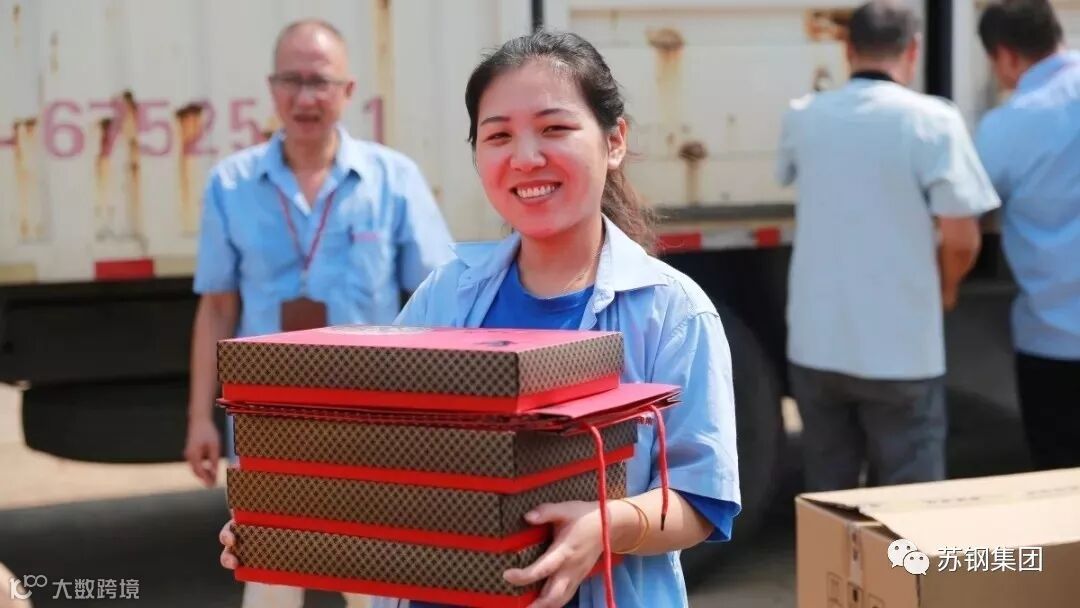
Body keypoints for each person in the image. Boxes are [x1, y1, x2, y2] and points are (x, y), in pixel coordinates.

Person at [219, 30, 741, 608]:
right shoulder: (445, 295)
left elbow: (699, 499)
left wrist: (608, 524)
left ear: (613, 141)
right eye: (498, 136)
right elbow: (378, 449)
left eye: (554, 129)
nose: (526, 157)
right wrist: (283, 516)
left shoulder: (672, 310)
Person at [184, 19, 454, 608]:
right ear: (272, 87)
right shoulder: (231, 184)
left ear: (348, 91)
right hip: (269, 421)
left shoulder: (394, 180)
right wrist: (200, 417)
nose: (306, 98)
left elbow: (437, 304)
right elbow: (217, 307)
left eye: (321, 82)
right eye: (292, 80)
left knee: (378, 588)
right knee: (271, 584)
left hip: (374, 420)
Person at [775, 1, 1001, 491]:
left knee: (828, 498)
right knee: (907, 504)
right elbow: (961, 237)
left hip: (817, 343)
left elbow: (787, 174)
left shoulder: (804, 115)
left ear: (847, 48)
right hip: (901, 349)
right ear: (914, 50)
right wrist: (946, 288)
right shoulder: (933, 120)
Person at [974, 0, 1080, 470]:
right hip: (1051, 342)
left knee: (1058, 486)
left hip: (1053, 344)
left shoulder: (1006, 125)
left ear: (1005, 56)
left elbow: (967, 209)